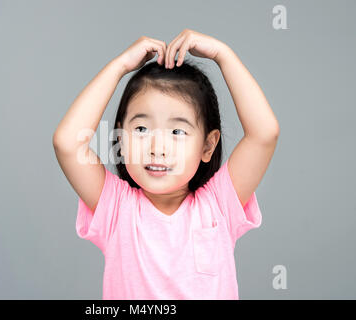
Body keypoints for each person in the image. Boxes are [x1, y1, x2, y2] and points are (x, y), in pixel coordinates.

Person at [53, 29, 280, 299]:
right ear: (120, 140)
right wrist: (119, 67)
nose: (157, 149)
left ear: (208, 145)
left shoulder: (218, 205)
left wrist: (223, 55)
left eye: (177, 132)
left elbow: (264, 134)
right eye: (141, 129)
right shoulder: (116, 207)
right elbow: (68, 143)